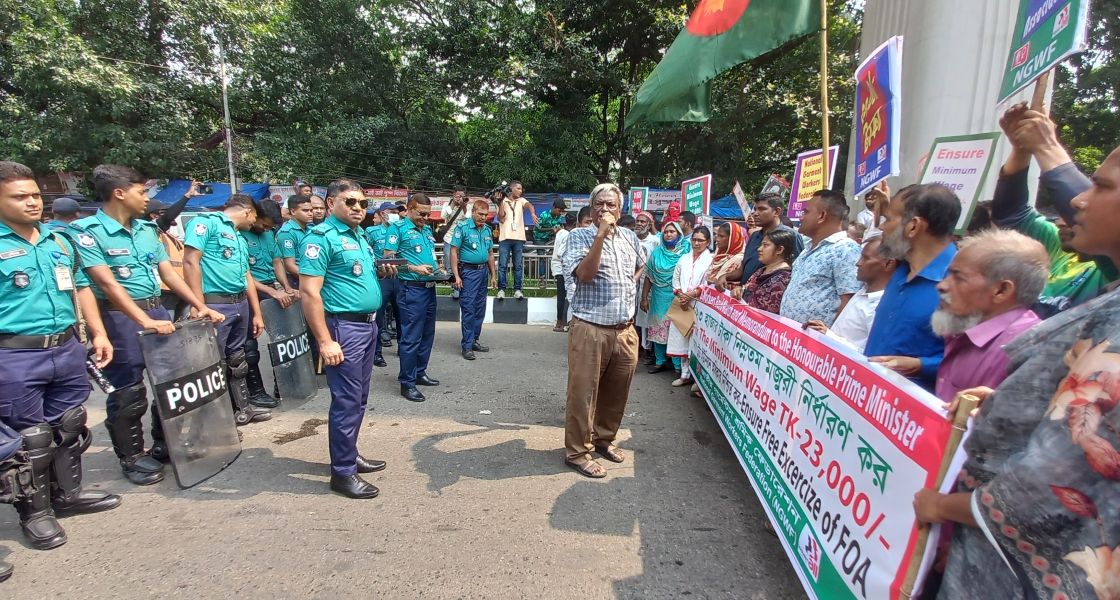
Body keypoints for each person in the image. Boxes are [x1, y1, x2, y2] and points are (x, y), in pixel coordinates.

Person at [912, 144, 1120, 600]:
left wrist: (945, 507)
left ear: (1002, 290)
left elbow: (1053, 482)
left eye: (1101, 185)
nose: (1079, 200)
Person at [70, 164, 225, 485]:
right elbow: (107, 283)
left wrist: (199, 306)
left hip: (157, 312)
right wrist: (142, 321)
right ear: (119, 193)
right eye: (142, 192)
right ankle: (132, 457)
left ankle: (163, 443)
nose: (147, 198)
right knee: (129, 393)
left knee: (171, 385)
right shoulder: (87, 232)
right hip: (117, 318)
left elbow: (168, 274)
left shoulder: (146, 230)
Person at [0, 161, 120, 551]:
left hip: (66, 347)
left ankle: (68, 495)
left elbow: (81, 287)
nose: (32, 202)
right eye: (20, 197)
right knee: (29, 438)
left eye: (35, 194)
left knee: (69, 424)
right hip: (15, 355)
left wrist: (98, 333)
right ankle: (34, 513)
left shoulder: (59, 241)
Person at [299, 179, 393, 499]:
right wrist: (325, 341)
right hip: (344, 329)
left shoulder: (359, 236)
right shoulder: (320, 238)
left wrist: (384, 272)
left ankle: (349, 454)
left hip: (367, 328)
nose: (358, 208)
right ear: (330, 204)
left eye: (363, 203)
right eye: (350, 202)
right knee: (346, 402)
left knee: (359, 399)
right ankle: (342, 473)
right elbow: (310, 293)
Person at [991, 104, 1117, 317]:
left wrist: (1046, 147)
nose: (1076, 202)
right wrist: (1021, 151)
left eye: (1101, 187)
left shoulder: (1109, 264)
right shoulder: (1060, 250)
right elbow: (1012, 215)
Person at [562, 182, 646, 478]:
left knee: (616, 392)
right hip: (590, 327)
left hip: (624, 331)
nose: (606, 209)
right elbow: (585, 275)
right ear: (592, 207)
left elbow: (641, 265)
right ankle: (577, 452)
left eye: (611, 205)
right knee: (583, 393)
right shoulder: (579, 236)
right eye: (600, 204)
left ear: (620, 209)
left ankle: (604, 439)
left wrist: (630, 284)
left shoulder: (629, 236)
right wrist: (599, 236)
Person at [182, 194, 271, 425]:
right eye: (254, 218)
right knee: (211, 364)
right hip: (214, 303)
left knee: (237, 360)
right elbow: (191, 261)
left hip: (239, 303)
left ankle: (242, 409)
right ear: (247, 211)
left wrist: (257, 313)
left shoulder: (239, 237)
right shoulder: (206, 223)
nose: (254, 224)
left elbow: (246, 275)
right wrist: (197, 304)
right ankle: (214, 419)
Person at [864, 183, 961, 391]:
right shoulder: (901, 266)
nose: (882, 227)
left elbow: (970, 362)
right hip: (868, 401)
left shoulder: (962, 283)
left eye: (888, 219)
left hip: (910, 413)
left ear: (914, 226)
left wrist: (921, 366)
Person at [931, 229, 1047, 403]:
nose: (941, 286)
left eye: (959, 277)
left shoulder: (1027, 351)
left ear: (1001, 290)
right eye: (949, 275)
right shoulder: (965, 327)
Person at [242, 199, 298, 407]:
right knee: (249, 346)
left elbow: (277, 262)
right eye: (264, 224)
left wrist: (286, 287)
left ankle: (282, 384)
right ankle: (255, 391)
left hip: (269, 287)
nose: (265, 228)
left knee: (284, 338)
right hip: (249, 290)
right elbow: (244, 274)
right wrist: (272, 292)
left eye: (269, 227)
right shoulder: (240, 233)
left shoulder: (268, 235)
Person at [387, 193, 442, 402]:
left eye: (428, 215)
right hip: (411, 288)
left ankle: (420, 372)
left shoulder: (426, 229)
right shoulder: (397, 229)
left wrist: (439, 269)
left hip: (429, 287)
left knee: (428, 334)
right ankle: (407, 383)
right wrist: (414, 268)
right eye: (421, 214)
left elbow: (428, 255)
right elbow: (388, 258)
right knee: (411, 337)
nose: (425, 218)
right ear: (410, 208)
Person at [779, 189, 861, 325]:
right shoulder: (807, 249)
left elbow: (849, 301)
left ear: (822, 216)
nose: (800, 217)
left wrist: (830, 337)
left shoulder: (846, 249)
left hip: (817, 342)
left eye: (806, 212)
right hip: (792, 339)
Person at [803, 236, 897, 353]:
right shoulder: (863, 292)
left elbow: (869, 357)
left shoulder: (881, 306)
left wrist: (829, 336)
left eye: (866, 258)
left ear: (888, 264)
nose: (858, 263)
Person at [719, 193, 805, 292]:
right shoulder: (754, 236)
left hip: (769, 302)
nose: (755, 213)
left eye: (762, 209)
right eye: (755, 209)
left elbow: (796, 274)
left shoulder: (791, 236)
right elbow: (743, 268)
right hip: (744, 299)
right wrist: (725, 276)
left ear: (776, 211)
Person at [666, 225, 714, 387]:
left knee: (697, 341)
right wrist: (680, 294)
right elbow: (676, 278)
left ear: (707, 242)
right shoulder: (684, 258)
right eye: (694, 239)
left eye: (701, 240)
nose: (697, 243)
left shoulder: (711, 259)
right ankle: (685, 374)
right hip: (682, 304)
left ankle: (698, 378)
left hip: (700, 305)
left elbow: (708, 282)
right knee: (682, 338)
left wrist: (692, 294)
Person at [450, 199, 497, 360]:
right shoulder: (462, 227)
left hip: (483, 271)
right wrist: (456, 275)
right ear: (473, 212)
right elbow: (454, 251)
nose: (483, 217)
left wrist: (493, 275)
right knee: (469, 309)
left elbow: (490, 254)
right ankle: (467, 345)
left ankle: (474, 339)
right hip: (468, 272)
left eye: (486, 215)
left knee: (479, 308)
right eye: (480, 214)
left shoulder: (487, 230)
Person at [640, 221, 689, 374]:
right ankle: (659, 361)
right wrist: (644, 298)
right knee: (658, 327)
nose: (668, 234)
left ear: (679, 234)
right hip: (658, 296)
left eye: (672, 232)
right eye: (666, 232)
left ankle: (677, 365)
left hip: (677, 297)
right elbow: (649, 276)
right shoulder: (656, 253)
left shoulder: (685, 253)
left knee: (675, 331)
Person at [366, 201, 401, 366]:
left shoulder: (402, 230)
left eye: (395, 211)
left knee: (402, 315)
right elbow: (367, 254)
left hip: (400, 277)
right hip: (381, 278)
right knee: (378, 317)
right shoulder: (372, 232)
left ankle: (403, 347)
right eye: (390, 211)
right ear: (381, 213)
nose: (393, 213)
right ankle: (377, 352)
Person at [737, 228, 798, 313]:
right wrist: (738, 290)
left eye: (765, 245)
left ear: (779, 249)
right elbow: (746, 289)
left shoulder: (784, 278)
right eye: (760, 245)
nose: (759, 249)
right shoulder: (761, 270)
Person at [496, 180, 537, 299]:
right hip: (505, 238)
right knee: (503, 265)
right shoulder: (502, 201)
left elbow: (530, 205)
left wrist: (532, 213)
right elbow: (501, 219)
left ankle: (517, 289)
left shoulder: (521, 200)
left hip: (519, 238)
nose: (521, 191)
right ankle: (501, 290)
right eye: (518, 188)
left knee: (518, 265)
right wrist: (499, 204)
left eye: (521, 189)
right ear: (512, 189)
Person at [439, 186, 472, 299]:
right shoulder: (447, 205)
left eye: (462, 196)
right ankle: (454, 289)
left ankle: (464, 289)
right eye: (457, 196)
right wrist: (453, 204)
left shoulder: (468, 205)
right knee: (449, 265)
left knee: (463, 265)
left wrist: (464, 207)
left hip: (463, 239)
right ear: (453, 196)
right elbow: (443, 216)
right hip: (449, 238)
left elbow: (469, 219)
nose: (459, 198)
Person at [278, 194, 314, 289]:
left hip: (312, 274)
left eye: (311, 210)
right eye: (305, 210)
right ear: (293, 211)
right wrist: (313, 279)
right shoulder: (287, 232)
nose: (310, 213)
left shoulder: (311, 229)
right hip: (297, 280)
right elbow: (290, 266)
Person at [551, 213, 577, 332]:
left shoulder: (560, 233)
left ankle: (560, 322)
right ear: (576, 223)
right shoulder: (569, 235)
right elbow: (561, 253)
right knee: (567, 296)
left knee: (561, 296)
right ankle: (562, 322)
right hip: (563, 268)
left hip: (557, 267)